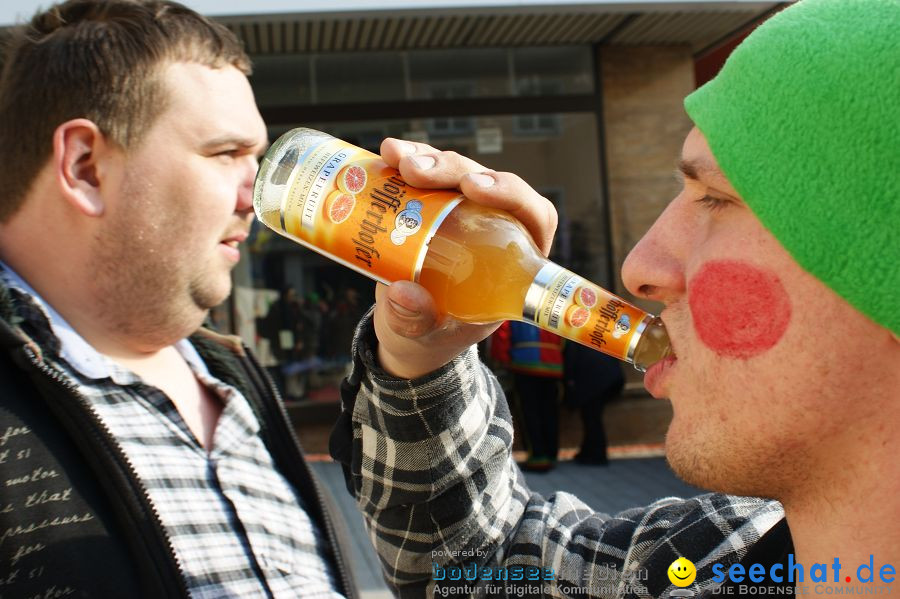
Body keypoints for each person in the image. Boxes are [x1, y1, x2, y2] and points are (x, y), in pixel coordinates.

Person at [330, 0, 899, 597]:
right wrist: (423, 360)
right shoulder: (708, 564)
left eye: (717, 199)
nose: (638, 269)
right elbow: (470, 570)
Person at [0, 1, 356, 596]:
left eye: (259, 160)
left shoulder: (236, 384)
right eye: (226, 155)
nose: (258, 199)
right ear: (86, 167)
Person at [490, 320, 564, 471]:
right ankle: (551, 455)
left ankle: (538, 458)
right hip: (553, 364)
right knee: (550, 411)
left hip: (525, 364)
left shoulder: (515, 309)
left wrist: (503, 360)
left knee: (529, 412)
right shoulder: (552, 304)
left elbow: (502, 335)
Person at [562, 340, 624, 466]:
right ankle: (587, 452)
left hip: (595, 381)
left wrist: (569, 381)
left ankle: (597, 456)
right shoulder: (589, 336)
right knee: (592, 417)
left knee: (592, 419)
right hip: (611, 378)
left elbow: (571, 359)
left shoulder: (573, 338)